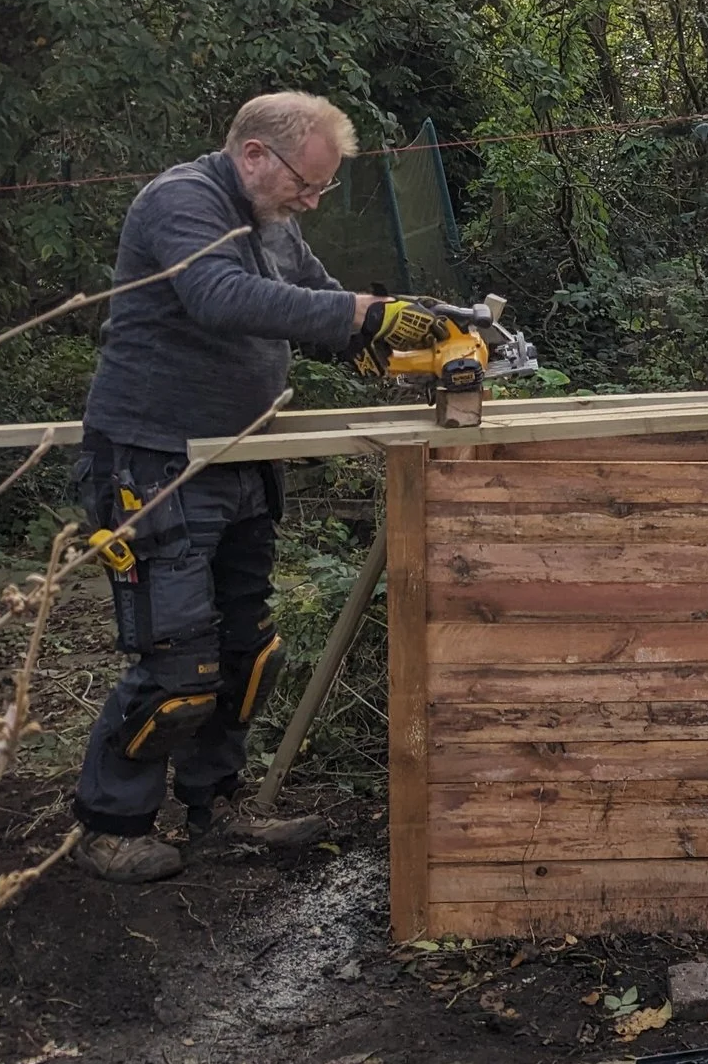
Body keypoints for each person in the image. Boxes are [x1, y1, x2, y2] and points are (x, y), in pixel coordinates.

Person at [71, 93, 442, 884]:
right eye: (305, 184)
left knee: (248, 650)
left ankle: (217, 808)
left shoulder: (274, 222)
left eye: (320, 189)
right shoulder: (181, 202)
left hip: (238, 457)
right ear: (253, 155)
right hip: (156, 460)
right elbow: (222, 299)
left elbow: (318, 305)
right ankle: (110, 824)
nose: (310, 200)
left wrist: (392, 339)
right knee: (176, 659)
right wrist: (358, 313)